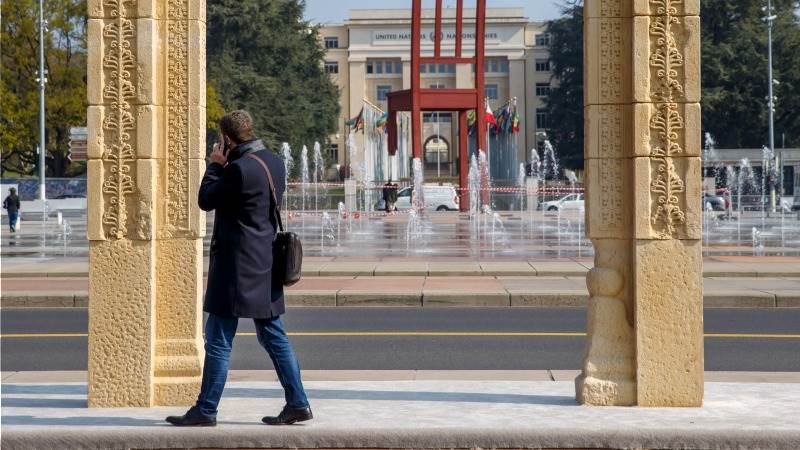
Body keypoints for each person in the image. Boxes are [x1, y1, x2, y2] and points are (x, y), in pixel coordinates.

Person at [166, 110, 311, 427]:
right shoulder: (274, 161)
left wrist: (215, 165)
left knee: (218, 338)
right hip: (266, 261)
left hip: (235, 265)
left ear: (227, 139)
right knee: (274, 336)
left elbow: (205, 199)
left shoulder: (237, 171)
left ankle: (206, 410)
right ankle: (298, 402)